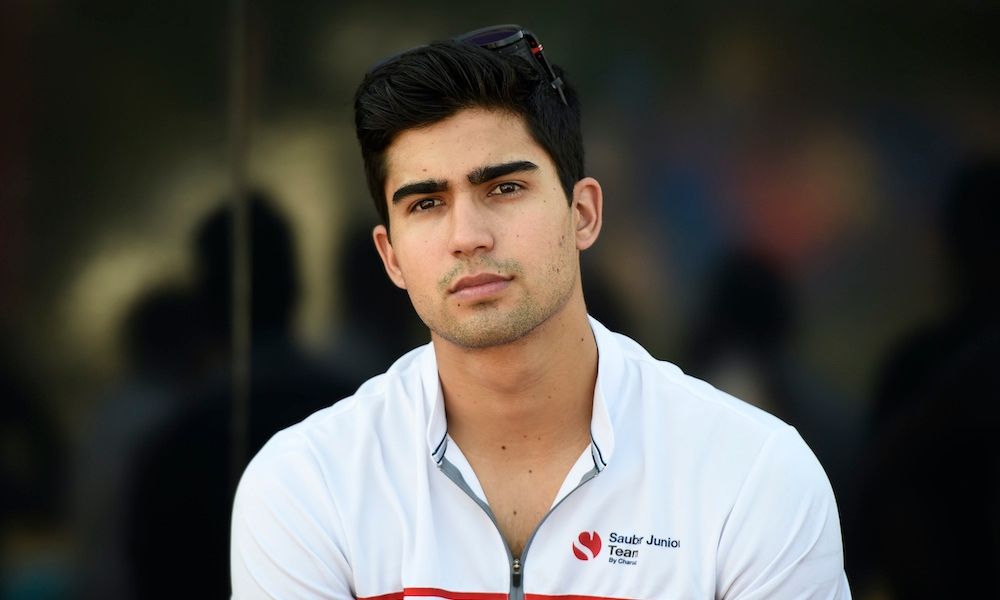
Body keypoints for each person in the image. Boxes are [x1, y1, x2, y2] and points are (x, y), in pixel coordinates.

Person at [231, 25, 851, 599]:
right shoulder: (307, 487)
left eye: (504, 188)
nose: (467, 236)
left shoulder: (751, 475)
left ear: (583, 214)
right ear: (390, 256)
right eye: (426, 203)